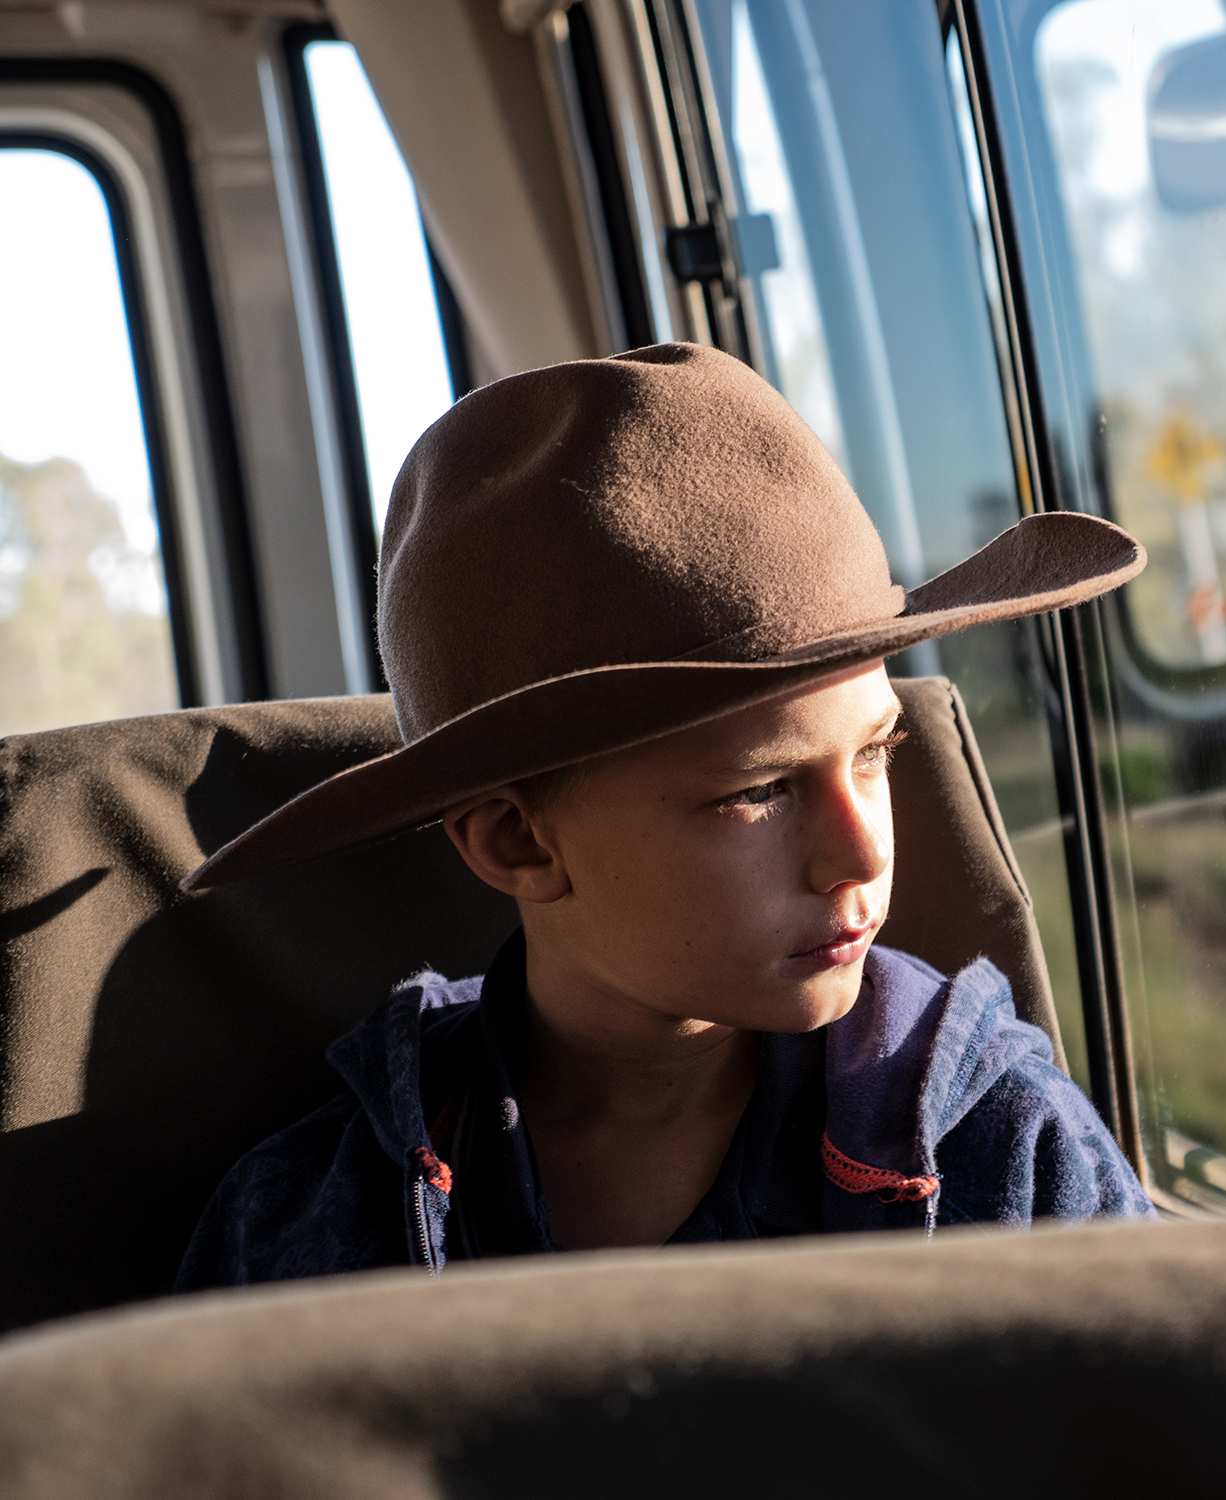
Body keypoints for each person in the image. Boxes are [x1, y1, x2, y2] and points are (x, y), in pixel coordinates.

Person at [175, 343, 1152, 1289]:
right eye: (758, 791)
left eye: (875, 752)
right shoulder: (313, 1227)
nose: (857, 854)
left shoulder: (1001, 1151)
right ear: (517, 841)